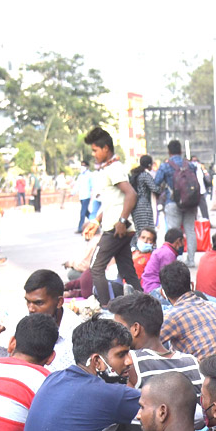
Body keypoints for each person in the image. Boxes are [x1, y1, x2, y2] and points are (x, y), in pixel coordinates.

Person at [24, 318, 141, 431]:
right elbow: (167, 408)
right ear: (97, 361)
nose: (129, 361)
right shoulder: (109, 394)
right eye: (121, 354)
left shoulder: (53, 378)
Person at [0, 268, 80, 374]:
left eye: (39, 303)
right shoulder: (21, 319)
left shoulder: (76, 333)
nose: (31, 308)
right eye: (28, 302)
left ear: (59, 302)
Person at [82, 127, 139, 307]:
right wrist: (96, 220)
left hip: (116, 229)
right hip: (118, 227)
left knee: (96, 267)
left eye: (95, 150)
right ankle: (144, 304)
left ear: (106, 148)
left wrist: (122, 221)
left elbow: (131, 194)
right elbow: (112, 201)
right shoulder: (109, 168)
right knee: (127, 271)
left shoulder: (114, 168)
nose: (94, 154)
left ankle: (106, 308)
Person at [159, 262, 216, 360]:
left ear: (163, 293)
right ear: (192, 286)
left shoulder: (172, 316)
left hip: (207, 373)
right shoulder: (210, 306)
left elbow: (144, 345)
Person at [154, 139, 202, 264]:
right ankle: (191, 260)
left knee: (173, 231)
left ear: (169, 151)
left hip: (173, 202)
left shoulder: (165, 166)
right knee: (190, 230)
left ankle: (173, 259)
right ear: (181, 151)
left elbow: (156, 183)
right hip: (190, 202)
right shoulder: (190, 165)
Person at [142, 226, 186, 297]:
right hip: (154, 290)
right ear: (178, 241)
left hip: (149, 286)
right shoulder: (168, 254)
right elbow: (170, 279)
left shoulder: (164, 250)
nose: (183, 245)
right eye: (183, 241)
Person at [129, 153, 161, 232]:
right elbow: (155, 189)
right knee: (148, 231)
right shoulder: (145, 175)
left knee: (139, 231)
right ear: (150, 165)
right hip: (145, 206)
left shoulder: (135, 174)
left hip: (135, 206)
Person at [73, 163, 92, 234]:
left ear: (87, 167)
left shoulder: (90, 175)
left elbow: (92, 185)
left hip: (87, 196)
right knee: (86, 212)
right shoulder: (80, 176)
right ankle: (95, 221)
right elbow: (77, 185)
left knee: (82, 213)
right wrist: (72, 193)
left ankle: (80, 228)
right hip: (81, 196)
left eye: (83, 166)